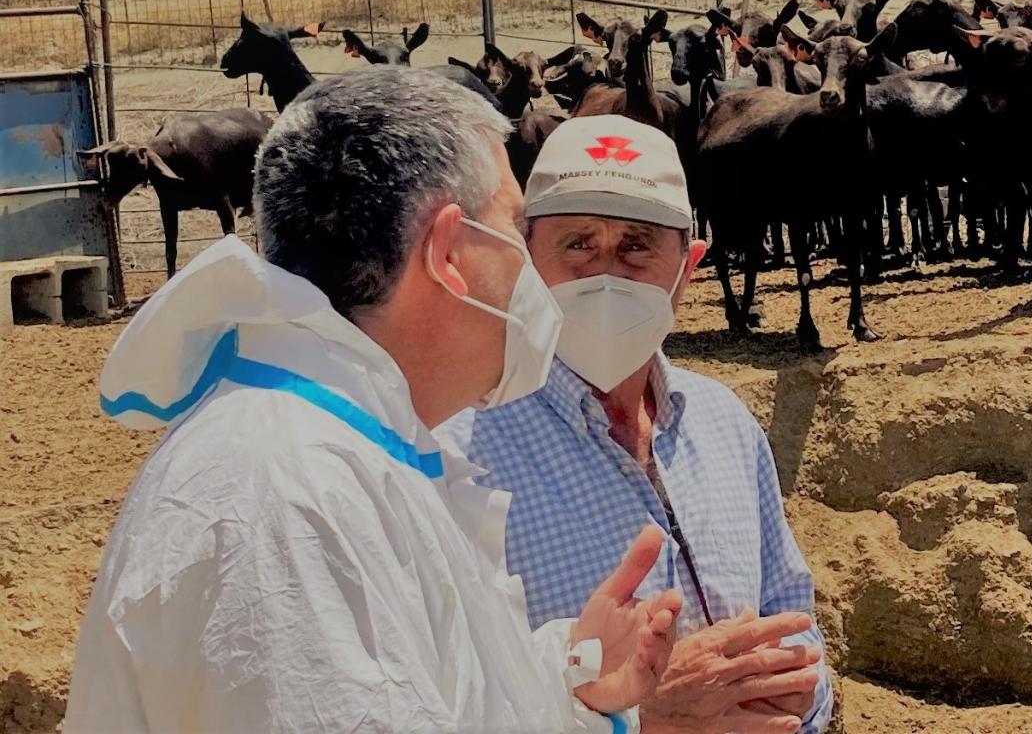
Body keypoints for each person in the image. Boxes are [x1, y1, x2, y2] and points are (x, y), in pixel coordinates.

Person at [70, 68, 683, 733]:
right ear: (449, 254)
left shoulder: (343, 453)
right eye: (515, 228)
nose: (533, 272)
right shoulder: (288, 495)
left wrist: (571, 681)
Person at [442, 116, 832, 734]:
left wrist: (795, 696)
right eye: (577, 244)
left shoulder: (723, 422)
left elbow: (792, 613)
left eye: (637, 245)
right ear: (524, 258)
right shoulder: (459, 451)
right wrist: (642, 720)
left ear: (689, 266)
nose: (605, 276)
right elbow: (449, 694)